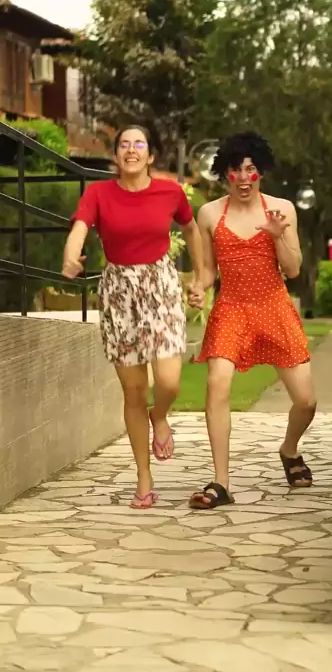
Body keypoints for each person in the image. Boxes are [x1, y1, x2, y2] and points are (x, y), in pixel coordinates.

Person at [62, 125, 204, 509]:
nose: (131, 150)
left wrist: (201, 277)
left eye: (138, 144)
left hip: (160, 287)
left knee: (169, 381)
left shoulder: (170, 192)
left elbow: (191, 230)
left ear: (150, 156)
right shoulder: (99, 193)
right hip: (119, 293)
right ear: (116, 155)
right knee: (134, 391)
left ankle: (161, 416)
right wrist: (71, 255)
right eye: (124, 144)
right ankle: (143, 477)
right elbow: (80, 226)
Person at [187, 131, 317, 509]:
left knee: (306, 402)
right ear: (224, 174)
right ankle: (221, 483)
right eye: (235, 170)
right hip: (231, 309)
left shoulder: (281, 210)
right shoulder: (209, 214)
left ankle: (289, 449)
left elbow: (293, 269)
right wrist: (197, 288)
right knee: (217, 384)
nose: (244, 178)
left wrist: (278, 236)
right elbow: (208, 272)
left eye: (251, 170)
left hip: (274, 307)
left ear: (261, 172)